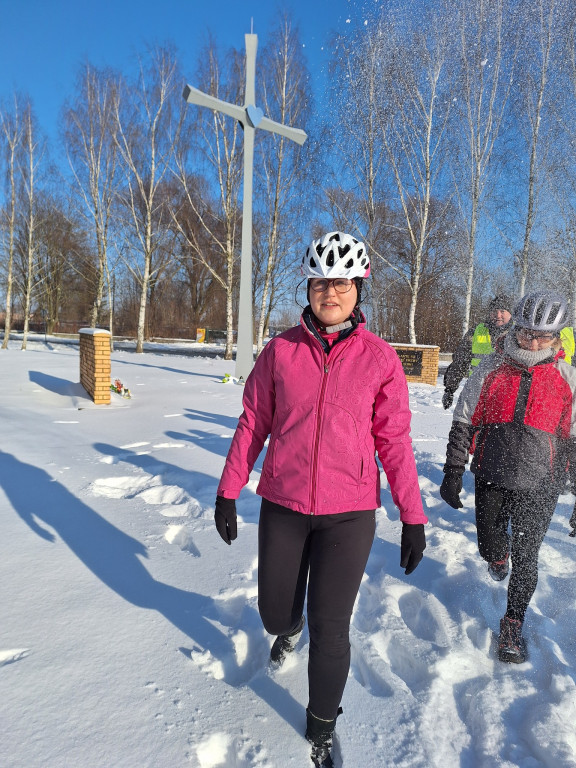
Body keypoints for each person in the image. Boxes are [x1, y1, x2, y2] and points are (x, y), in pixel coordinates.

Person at [214, 231, 428, 767]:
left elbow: (394, 441)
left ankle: (321, 727)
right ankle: (288, 628)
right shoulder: (281, 351)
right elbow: (253, 423)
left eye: (340, 282)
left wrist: (413, 515)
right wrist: (228, 488)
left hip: (348, 515)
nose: (329, 292)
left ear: (358, 288)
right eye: (319, 282)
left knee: (332, 628)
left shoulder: (380, 360)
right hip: (284, 505)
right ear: (307, 288)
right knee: (274, 612)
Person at [439, 291, 576, 664]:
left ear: (558, 337)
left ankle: (513, 622)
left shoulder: (568, 378)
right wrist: (453, 470)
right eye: (526, 332)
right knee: (490, 544)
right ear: (515, 328)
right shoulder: (491, 369)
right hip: (491, 474)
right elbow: (464, 421)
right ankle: (497, 556)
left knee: (528, 556)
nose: (533, 342)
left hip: (541, 483)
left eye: (543, 336)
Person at [442, 295, 514, 409]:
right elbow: (460, 361)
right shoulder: (476, 332)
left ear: (510, 314)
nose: (498, 315)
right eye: (494, 311)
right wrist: (450, 389)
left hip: (507, 396)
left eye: (502, 311)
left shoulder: (519, 335)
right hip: (477, 393)